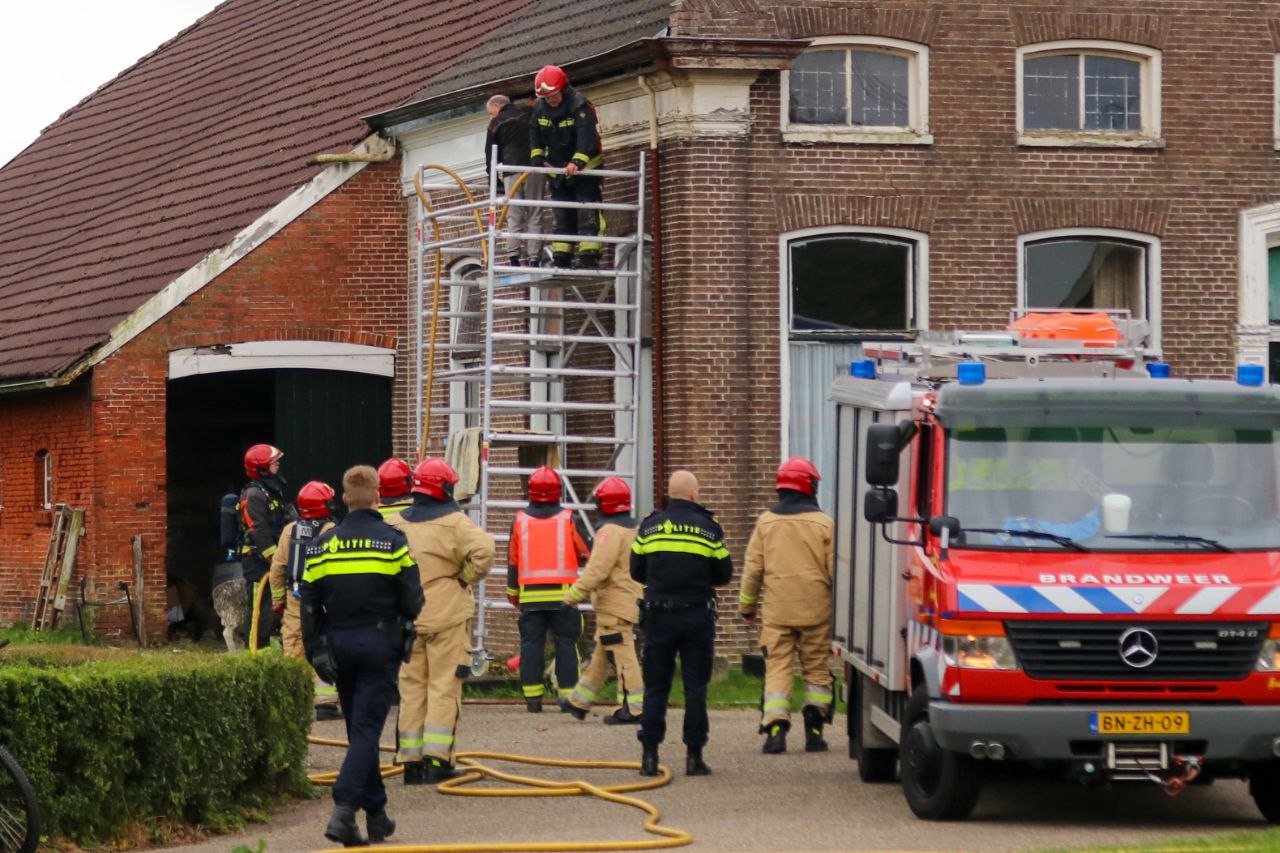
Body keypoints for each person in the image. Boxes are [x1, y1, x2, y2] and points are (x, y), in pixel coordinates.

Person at [302, 465, 424, 848]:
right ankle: (344, 809)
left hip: (338, 649)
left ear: (343, 499)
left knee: (359, 731)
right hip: (379, 647)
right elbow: (412, 599)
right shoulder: (393, 542)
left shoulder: (321, 545)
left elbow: (308, 604)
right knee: (368, 731)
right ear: (377, 498)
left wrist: (315, 651)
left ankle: (376, 815)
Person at [390, 457, 495, 784]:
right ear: (445, 488)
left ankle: (410, 762)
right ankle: (438, 761)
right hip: (446, 615)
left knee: (411, 688)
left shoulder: (394, 524)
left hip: (407, 618)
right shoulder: (455, 522)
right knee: (443, 686)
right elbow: (485, 551)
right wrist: (464, 577)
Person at [631, 470, 733, 777]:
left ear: (670, 494)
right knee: (695, 687)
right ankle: (694, 756)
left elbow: (636, 570)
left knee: (656, 688)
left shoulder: (648, 527)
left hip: (658, 616)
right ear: (693, 494)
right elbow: (724, 574)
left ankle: (649, 756)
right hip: (696, 618)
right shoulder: (709, 528)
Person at [740, 457, 835, 754]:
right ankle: (815, 730)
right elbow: (836, 572)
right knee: (817, 670)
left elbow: (753, 569)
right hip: (816, 610)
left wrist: (748, 607)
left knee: (777, 668)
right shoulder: (824, 524)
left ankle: (776, 730)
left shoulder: (766, 523)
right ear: (810, 486)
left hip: (777, 611)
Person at [506, 465, 589, 712]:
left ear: (530, 492)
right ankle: (567, 700)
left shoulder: (519, 520)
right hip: (564, 596)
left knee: (531, 645)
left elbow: (512, 561)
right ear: (558, 491)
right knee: (566, 644)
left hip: (530, 597)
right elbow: (586, 551)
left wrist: (513, 594)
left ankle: (533, 701)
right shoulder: (569, 519)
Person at [564, 477, 644, 725]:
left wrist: (571, 597)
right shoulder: (634, 529)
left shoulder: (608, 532)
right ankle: (579, 702)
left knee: (622, 657)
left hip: (614, 603)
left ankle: (635, 708)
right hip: (627, 601)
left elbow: (597, 571)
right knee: (602, 654)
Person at [269, 480, 341, 720]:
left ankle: (291, 703)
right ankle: (326, 703)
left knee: (294, 645)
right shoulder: (332, 531)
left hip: (295, 597)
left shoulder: (290, 530)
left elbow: (278, 568)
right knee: (324, 643)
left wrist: (278, 601)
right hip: (325, 599)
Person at [529, 64, 604, 269]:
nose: (551, 100)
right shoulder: (539, 108)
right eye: (547, 97)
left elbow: (587, 139)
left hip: (586, 170)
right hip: (558, 171)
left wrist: (577, 162)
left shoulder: (579, 106)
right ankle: (561, 258)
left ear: (562, 89)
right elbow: (535, 136)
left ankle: (589, 256)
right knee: (562, 215)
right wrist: (537, 159)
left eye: (553, 95)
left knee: (587, 209)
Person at [239, 444, 296, 651]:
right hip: (258, 563)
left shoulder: (271, 492)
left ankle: (268, 652)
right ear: (262, 468)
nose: (278, 464)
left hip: (273, 563)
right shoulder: (253, 495)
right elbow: (258, 529)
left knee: (273, 610)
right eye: (273, 462)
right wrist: (275, 560)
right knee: (258, 611)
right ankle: (254, 654)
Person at [485, 94, 544, 266]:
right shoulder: (530, 112)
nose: (491, 116)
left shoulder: (496, 123)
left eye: (490, 112)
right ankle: (534, 258)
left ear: (497, 106)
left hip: (511, 171)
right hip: (536, 168)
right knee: (535, 212)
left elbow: (490, 155)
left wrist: (494, 181)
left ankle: (513, 257)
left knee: (514, 214)